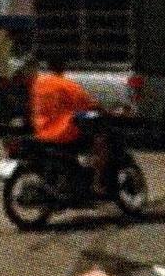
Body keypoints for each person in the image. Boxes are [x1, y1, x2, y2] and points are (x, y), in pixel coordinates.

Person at [25, 56, 110, 192]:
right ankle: (98, 182)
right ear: (63, 66)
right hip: (63, 133)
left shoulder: (39, 83)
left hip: (41, 131)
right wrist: (105, 111)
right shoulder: (68, 85)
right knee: (100, 141)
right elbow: (89, 104)